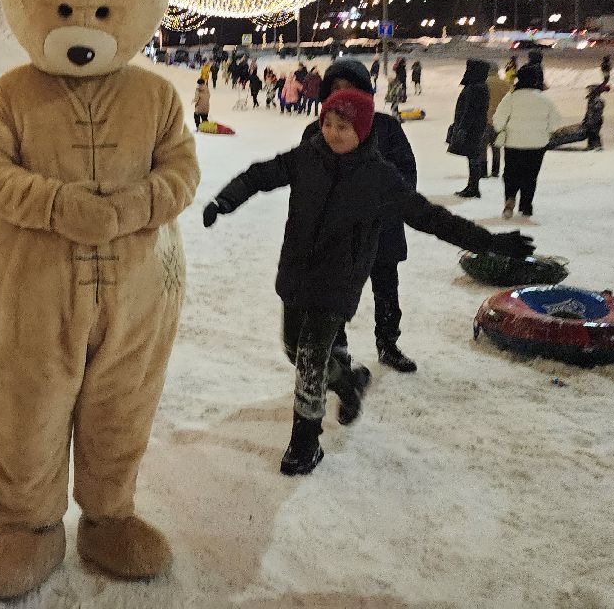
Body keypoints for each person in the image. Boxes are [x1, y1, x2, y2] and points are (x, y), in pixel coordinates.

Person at [202, 88, 533, 475]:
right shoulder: (307, 157)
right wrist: (225, 200)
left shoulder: (379, 177)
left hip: (338, 279)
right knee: (293, 348)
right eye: (327, 123)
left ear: (361, 129)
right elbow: (262, 175)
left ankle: (305, 443)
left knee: (310, 358)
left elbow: (430, 217)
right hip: (296, 270)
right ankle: (348, 380)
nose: (331, 133)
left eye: (342, 126)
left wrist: (491, 243)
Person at [300, 59, 421, 373]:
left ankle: (388, 343)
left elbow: (406, 173)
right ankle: (337, 352)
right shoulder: (316, 132)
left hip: (382, 228)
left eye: (351, 89)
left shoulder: (386, 128)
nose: (343, 96)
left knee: (386, 288)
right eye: (336, 89)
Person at [491, 63, 562, 218]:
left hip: (513, 144)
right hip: (537, 145)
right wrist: (544, 131)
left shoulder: (510, 99)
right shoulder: (545, 100)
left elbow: (498, 122)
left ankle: (510, 199)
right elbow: (556, 123)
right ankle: (526, 206)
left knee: (510, 173)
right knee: (530, 175)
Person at [448, 59, 492, 198]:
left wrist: (462, 128)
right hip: (476, 127)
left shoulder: (475, 88)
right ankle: (472, 186)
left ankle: (473, 188)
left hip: (472, 129)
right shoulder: (479, 86)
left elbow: (470, 111)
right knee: (473, 157)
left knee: (473, 158)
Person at [486, 63, 512, 179]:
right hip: (500, 120)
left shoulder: (483, 84)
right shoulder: (505, 84)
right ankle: (495, 171)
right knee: (496, 147)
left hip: (485, 120)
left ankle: (482, 170)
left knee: (482, 147)